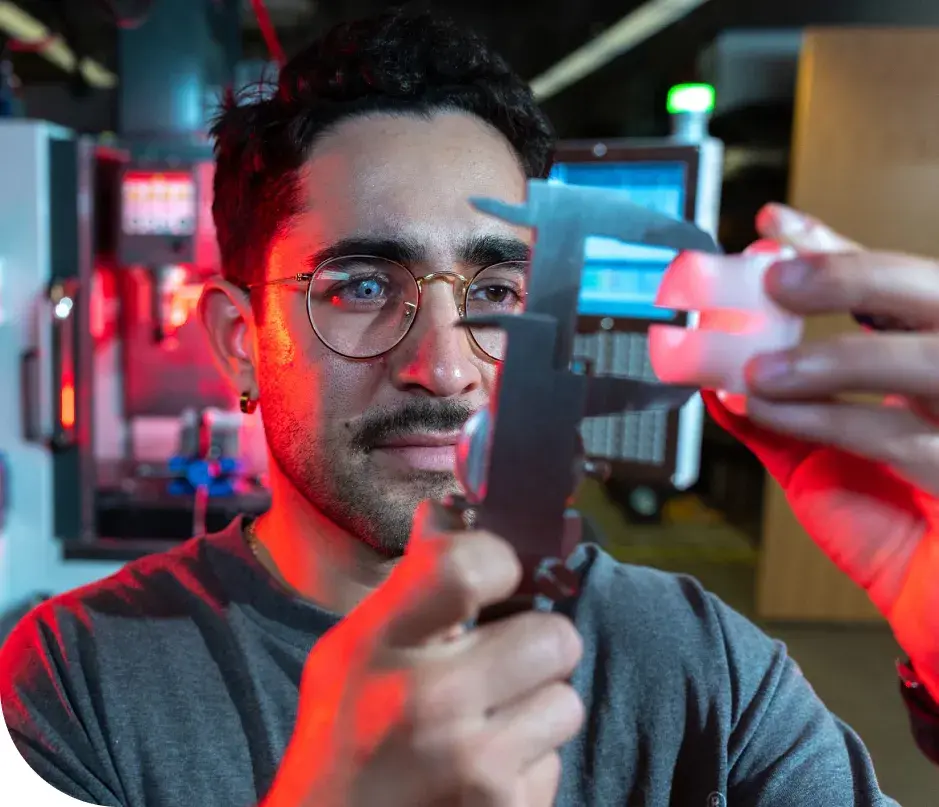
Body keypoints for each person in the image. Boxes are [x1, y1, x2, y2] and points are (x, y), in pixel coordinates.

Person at [1, 9, 936, 807]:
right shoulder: (79, 678)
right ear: (239, 338)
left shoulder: (699, 664)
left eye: (493, 291)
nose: (445, 369)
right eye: (361, 286)